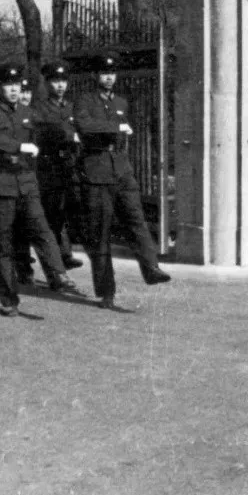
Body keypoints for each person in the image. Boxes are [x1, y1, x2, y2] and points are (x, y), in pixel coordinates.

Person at [0, 63, 76, 317]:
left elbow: (49, 130)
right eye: (8, 85)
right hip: (1, 186)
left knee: (41, 229)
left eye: (16, 85)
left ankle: (58, 275)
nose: (13, 90)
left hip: (27, 182)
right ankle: (9, 299)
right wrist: (18, 147)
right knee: (3, 243)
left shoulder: (28, 112)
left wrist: (72, 133)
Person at [74, 53, 171, 308]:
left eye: (112, 73)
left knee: (136, 220)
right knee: (100, 233)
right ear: (96, 76)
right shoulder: (84, 101)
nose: (108, 78)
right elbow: (86, 127)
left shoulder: (121, 102)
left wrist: (118, 130)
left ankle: (151, 268)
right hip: (96, 172)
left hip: (121, 170)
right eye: (104, 73)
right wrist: (115, 128)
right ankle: (107, 292)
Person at [31, 61, 85, 272]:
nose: (60, 85)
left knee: (66, 211)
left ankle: (64, 253)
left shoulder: (73, 107)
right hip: (49, 165)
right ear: (47, 83)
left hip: (71, 164)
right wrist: (67, 134)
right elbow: (42, 133)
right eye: (55, 81)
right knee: (51, 213)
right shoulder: (39, 108)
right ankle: (55, 264)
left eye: (63, 81)